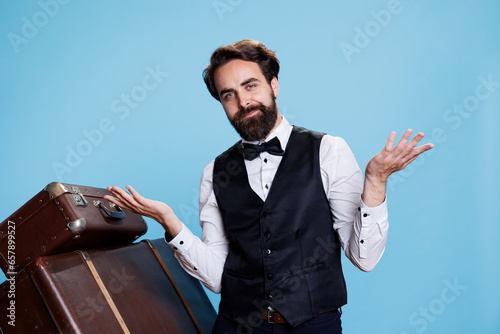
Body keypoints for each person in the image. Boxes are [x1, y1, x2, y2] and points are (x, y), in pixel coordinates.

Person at [105, 39, 433, 334]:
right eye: (228, 95)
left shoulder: (329, 151)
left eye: (250, 86)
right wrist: (170, 222)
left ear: (273, 85)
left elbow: (365, 258)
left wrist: (375, 182)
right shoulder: (214, 173)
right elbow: (219, 278)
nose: (243, 101)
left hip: (314, 327)